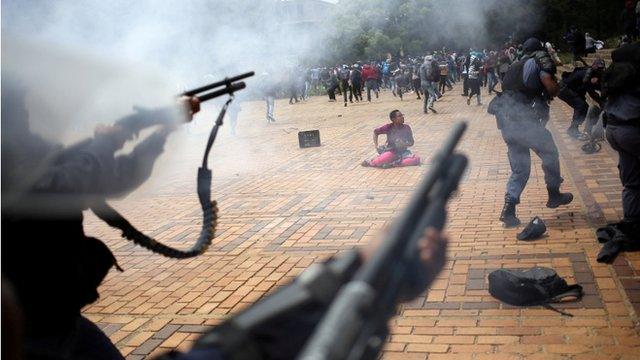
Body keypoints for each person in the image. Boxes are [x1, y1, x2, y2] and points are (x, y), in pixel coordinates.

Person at [2, 76, 202, 360]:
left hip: (58, 316)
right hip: (27, 328)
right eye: (18, 108)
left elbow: (118, 177)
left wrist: (162, 131)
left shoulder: (32, 153)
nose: (26, 115)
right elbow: (67, 183)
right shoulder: (9, 162)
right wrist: (105, 143)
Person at [491, 37, 573, 227]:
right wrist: (556, 87)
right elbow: (549, 85)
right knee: (550, 153)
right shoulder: (539, 60)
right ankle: (554, 194)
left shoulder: (515, 65)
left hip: (506, 122)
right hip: (524, 121)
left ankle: (509, 211)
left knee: (520, 169)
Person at [602, 41, 640, 243]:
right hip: (632, 130)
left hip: (613, 130)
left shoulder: (617, 75)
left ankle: (632, 221)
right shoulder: (635, 75)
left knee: (631, 180)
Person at [558, 59, 605, 139]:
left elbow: (598, 87)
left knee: (584, 107)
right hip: (564, 89)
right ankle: (572, 130)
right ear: (593, 66)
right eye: (598, 67)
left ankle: (574, 128)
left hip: (572, 89)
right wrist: (601, 102)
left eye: (601, 68)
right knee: (580, 106)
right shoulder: (587, 74)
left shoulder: (596, 74)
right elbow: (591, 92)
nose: (599, 70)